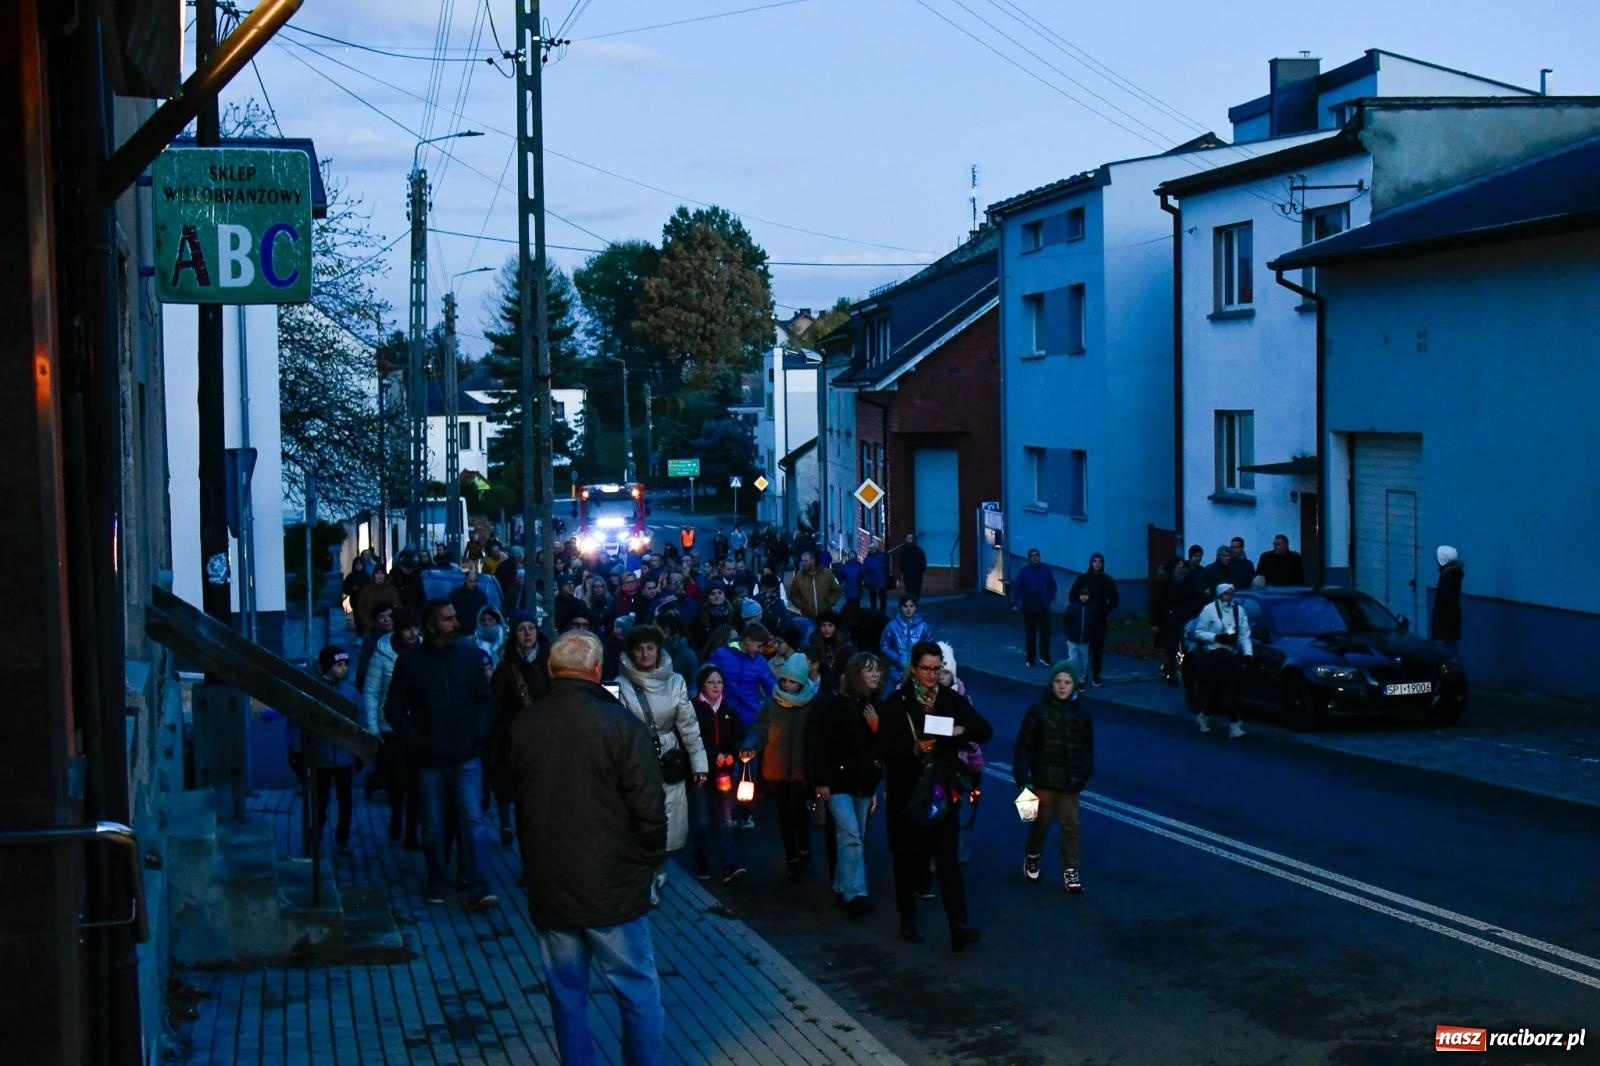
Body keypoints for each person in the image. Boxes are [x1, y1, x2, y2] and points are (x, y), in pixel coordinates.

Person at [504, 631, 667, 1066]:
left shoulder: (526, 724)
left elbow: (507, 787)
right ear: (597, 671)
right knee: (636, 989)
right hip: (614, 883)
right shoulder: (621, 725)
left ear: (551, 669)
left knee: (567, 993)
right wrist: (653, 860)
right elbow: (649, 808)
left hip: (551, 880)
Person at [383, 599, 498, 910]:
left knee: (473, 821)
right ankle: (437, 879)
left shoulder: (469, 657)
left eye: (455, 618)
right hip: (430, 759)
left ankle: (478, 884)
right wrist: (417, 742)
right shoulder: (411, 663)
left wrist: (477, 734)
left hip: (466, 754)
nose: (455, 623)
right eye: (447, 619)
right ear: (431, 625)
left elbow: (485, 700)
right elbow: (394, 709)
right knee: (432, 824)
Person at [877, 641, 991, 951]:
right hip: (907, 793)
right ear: (913, 668)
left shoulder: (950, 699)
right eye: (926, 669)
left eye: (936, 669)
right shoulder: (897, 703)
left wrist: (960, 730)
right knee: (907, 858)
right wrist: (913, 748)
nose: (931, 675)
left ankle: (958, 925)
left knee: (947, 860)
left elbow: (984, 730)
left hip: (941, 791)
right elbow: (884, 748)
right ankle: (907, 917)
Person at [616, 625, 708, 904]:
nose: (645, 654)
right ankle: (645, 878)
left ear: (659, 650)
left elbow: (689, 724)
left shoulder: (676, 681)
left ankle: (660, 864)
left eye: (650, 648)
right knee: (639, 815)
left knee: (670, 814)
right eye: (640, 649)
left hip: (669, 757)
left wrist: (699, 763)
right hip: (635, 756)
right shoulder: (620, 684)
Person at [810, 652, 884, 917]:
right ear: (856, 674)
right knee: (850, 833)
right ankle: (855, 894)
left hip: (863, 782)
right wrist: (821, 781)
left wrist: (876, 728)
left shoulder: (876, 705)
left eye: (876, 669)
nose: (875, 674)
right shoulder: (837, 705)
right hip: (838, 781)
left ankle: (843, 887)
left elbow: (881, 747)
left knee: (854, 835)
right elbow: (822, 744)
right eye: (868, 669)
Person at [1014, 661, 1094, 893]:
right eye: (1058, 681)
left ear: (1074, 685)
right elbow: (1025, 746)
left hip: (1070, 783)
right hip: (1043, 781)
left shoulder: (1082, 715)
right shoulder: (1037, 711)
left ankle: (1071, 869)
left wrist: (1084, 771)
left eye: (1067, 682)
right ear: (1052, 683)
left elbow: (1087, 747)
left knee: (1071, 827)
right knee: (1041, 824)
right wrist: (1023, 776)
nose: (1062, 686)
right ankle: (1032, 855)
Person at [740, 654, 820, 883]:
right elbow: (760, 730)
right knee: (784, 814)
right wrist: (750, 745)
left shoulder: (812, 705)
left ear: (801, 681)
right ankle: (792, 858)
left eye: (791, 681)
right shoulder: (771, 704)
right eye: (783, 680)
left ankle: (804, 851)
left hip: (801, 768)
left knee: (799, 811)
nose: (786, 684)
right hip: (776, 768)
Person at [289, 645, 362, 857]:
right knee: (320, 803)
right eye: (339, 665)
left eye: (346, 664)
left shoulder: (351, 693)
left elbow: (361, 721)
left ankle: (342, 839)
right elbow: (302, 722)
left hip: (344, 755)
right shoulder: (315, 691)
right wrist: (299, 751)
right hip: (320, 757)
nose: (344, 668)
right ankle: (315, 839)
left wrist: (360, 750)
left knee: (345, 801)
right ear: (327, 666)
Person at [489, 610, 548, 849]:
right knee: (525, 805)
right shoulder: (505, 668)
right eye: (521, 629)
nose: (527, 634)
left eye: (531, 628)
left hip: (548, 741)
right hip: (520, 745)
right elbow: (496, 708)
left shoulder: (549, 663)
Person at [364, 606, 421, 847]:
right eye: (408, 629)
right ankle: (397, 813)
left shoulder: (423, 652)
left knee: (417, 781)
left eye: (415, 628)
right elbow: (371, 691)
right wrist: (373, 726)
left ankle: (412, 832)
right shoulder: (382, 655)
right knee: (398, 779)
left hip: (418, 725)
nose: (413, 633)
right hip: (391, 726)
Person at [691, 665, 747, 884]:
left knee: (726, 817)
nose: (716, 686)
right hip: (700, 773)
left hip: (724, 772)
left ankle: (728, 864)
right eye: (711, 682)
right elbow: (692, 738)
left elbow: (738, 736)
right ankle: (702, 861)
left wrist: (733, 754)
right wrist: (713, 755)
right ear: (702, 685)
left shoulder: (729, 710)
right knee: (702, 818)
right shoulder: (693, 709)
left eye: (719, 682)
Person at [1192, 583, 1253, 738]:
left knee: (1229, 689)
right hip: (1213, 653)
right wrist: (1216, 637)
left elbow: (1245, 633)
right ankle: (1207, 716)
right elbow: (1198, 632)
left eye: (1231, 593)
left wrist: (1248, 653)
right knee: (1213, 689)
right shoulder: (1209, 610)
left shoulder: (1238, 610)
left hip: (1230, 654)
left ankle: (1233, 724)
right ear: (1219, 595)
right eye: (1226, 593)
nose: (1229, 596)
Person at [1067, 553, 1118, 688]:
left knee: (1097, 650)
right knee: (1082, 651)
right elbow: (1072, 596)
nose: (1097, 564)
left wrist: (1105, 611)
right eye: (1095, 561)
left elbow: (1115, 599)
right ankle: (1081, 677)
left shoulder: (1107, 581)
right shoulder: (1082, 579)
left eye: (1099, 561)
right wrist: (1079, 609)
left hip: (1100, 621)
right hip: (1084, 620)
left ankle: (1096, 676)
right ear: (1091, 563)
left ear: (1103, 564)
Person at [1150, 557, 1199, 685]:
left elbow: (1193, 599)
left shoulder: (1187, 583)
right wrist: (1155, 623)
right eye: (1178, 567)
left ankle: (1177, 672)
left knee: (1182, 649)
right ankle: (1171, 674)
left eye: (1182, 567)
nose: (1181, 570)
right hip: (1168, 622)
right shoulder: (1164, 584)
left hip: (1184, 620)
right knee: (1172, 649)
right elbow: (1156, 604)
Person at [1011, 548, 1058, 667]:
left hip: (1043, 608)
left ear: (1040, 556)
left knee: (1045, 633)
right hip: (1029, 607)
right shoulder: (1024, 572)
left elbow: (1053, 586)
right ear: (1029, 558)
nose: (1035, 557)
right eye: (1032, 556)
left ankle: (1045, 657)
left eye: (1037, 555)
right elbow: (1017, 588)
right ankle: (1030, 659)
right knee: (1030, 635)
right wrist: (1016, 603)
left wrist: (1049, 598)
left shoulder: (1046, 570)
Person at [880, 596, 933, 690]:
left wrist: (920, 659)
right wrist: (897, 657)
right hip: (896, 672)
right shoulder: (892, 626)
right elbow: (884, 644)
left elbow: (930, 646)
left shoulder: (923, 626)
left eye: (911, 606)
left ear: (916, 607)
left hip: (918, 672)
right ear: (900, 607)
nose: (908, 609)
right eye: (905, 606)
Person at [1060, 587, 1105, 688]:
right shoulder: (1072, 607)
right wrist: (1069, 632)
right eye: (1082, 594)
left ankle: (1080, 680)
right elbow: (1066, 620)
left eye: (1086, 595)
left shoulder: (1092, 609)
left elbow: (1095, 624)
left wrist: (1091, 635)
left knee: (1084, 662)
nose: (1084, 597)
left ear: (1089, 596)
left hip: (1085, 641)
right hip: (1073, 640)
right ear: (1079, 595)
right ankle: (1072, 679)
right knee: (1073, 660)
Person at [788, 550, 842, 630]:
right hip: (807, 616)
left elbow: (837, 590)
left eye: (805, 561)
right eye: (802, 561)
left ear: (813, 561)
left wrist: (830, 603)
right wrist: (802, 605)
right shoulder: (799, 577)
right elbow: (793, 595)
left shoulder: (826, 573)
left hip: (825, 616)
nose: (803, 563)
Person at [807, 611, 855, 692]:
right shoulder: (815, 641)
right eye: (823, 625)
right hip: (822, 677)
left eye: (830, 625)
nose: (826, 629)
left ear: (835, 627)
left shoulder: (845, 642)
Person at [1431, 546, 1465, 656]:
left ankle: (1451, 667)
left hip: (1446, 623)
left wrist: (1437, 619)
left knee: (1448, 653)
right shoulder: (1452, 574)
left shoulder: (1448, 576)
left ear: (1443, 559)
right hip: (1449, 623)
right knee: (1450, 650)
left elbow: (1444, 601)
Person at [354, 566, 399, 636]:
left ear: (385, 575)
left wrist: (391, 621)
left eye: (382, 573)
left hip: (388, 627)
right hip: (370, 627)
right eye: (377, 573)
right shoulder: (366, 589)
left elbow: (397, 607)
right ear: (374, 575)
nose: (379, 576)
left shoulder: (392, 589)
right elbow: (360, 608)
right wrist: (369, 623)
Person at [896, 533, 927, 602]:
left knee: (916, 592)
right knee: (909, 591)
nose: (909, 540)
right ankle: (911, 604)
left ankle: (915, 603)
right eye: (908, 538)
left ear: (914, 540)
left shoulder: (920, 551)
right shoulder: (903, 551)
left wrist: (920, 572)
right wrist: (904, 572)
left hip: (917, 576)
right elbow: (900, 563)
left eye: (911, 538)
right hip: (907, 575)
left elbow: (923, 563)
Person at [863, 542, 891, 614]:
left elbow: (887, 564)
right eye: (870, 548)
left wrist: (884, 566)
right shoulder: (867, 559)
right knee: (873, 596)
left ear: (876, 549)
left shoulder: (882, 556)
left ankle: (882, 610)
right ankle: (873, 610)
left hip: (881, 579)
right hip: (871, 580)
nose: (871, 550)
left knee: (883, 595)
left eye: (873, 548)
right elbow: (864, 570)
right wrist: (866, 579)